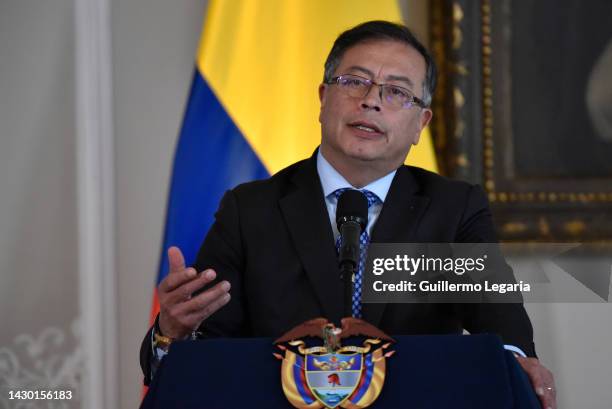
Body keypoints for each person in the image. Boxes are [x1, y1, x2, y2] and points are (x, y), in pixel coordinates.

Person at [140, 20, 556, 408]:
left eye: (396, 91)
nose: (372, 100)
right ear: (323, 98)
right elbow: (206, 357)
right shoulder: (249, 209)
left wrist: (518, 362)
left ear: (419, 124)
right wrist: (170, 333)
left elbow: (503, 331)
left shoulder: (454, 208)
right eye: (354, 82)